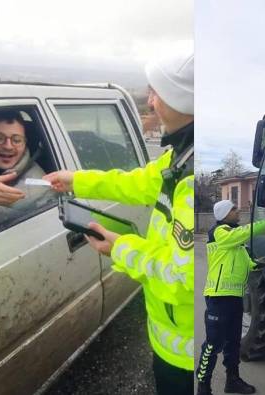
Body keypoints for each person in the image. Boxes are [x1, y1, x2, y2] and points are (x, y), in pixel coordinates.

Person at [43, 50, 194, 395]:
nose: (151, 100)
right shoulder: (181, 156)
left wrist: (118, 246)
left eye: (157, 92)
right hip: (170, 331)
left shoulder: (191, 182)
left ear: (180, 99)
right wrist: (76, 180)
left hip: (184, 352)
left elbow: (180, 274)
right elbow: (135, 183)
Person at [197, 200, 265, 395]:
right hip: (218, 299)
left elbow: (249, 266)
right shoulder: (220, 232)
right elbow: (244, 233)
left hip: (234, 299)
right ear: (223, 214)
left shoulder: (238, 246)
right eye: (233, 209)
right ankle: (203, 386)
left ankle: (233, 380)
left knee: (233, 342)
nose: (237, 211)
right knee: (212, 345)